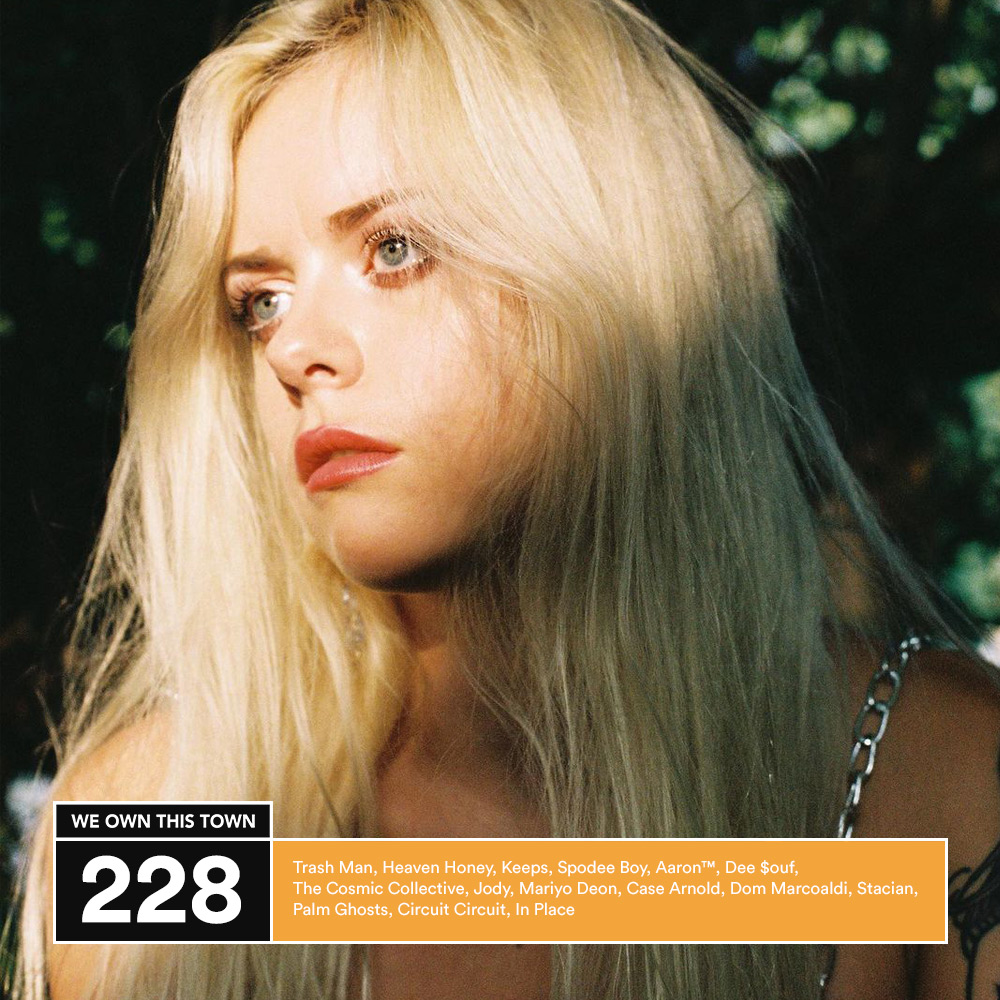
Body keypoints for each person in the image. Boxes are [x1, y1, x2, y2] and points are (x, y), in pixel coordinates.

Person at [12, 0, 1000, 997]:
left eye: (394, 249)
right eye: (259, 302)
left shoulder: (929, 775)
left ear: (616, 260)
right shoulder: (151, 824)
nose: (296, 350)